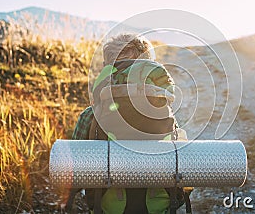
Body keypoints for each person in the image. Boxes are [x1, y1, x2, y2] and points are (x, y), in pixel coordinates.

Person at [68, 33, 190, 214]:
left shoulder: (90, 115)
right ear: (148, 69)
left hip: (108, 207)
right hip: (159, 207)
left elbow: (74, 169)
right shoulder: (163, 113)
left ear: (107, 69)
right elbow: (185, 166)